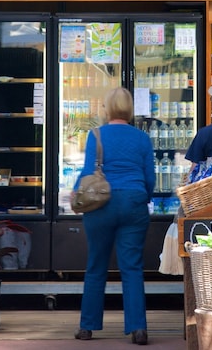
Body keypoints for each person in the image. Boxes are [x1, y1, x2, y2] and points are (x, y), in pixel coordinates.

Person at [74, 87, 155, 345]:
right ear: (130, 110)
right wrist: (144, 197)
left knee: (96, 265)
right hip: (133, 202)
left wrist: (75, 193)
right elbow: (150, 179)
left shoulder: (95, 135)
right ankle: (138, 328)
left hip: (101, 205)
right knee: (132, 268)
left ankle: (87, 327)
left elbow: (88, 171)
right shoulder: (142, 138)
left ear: (107, 108)